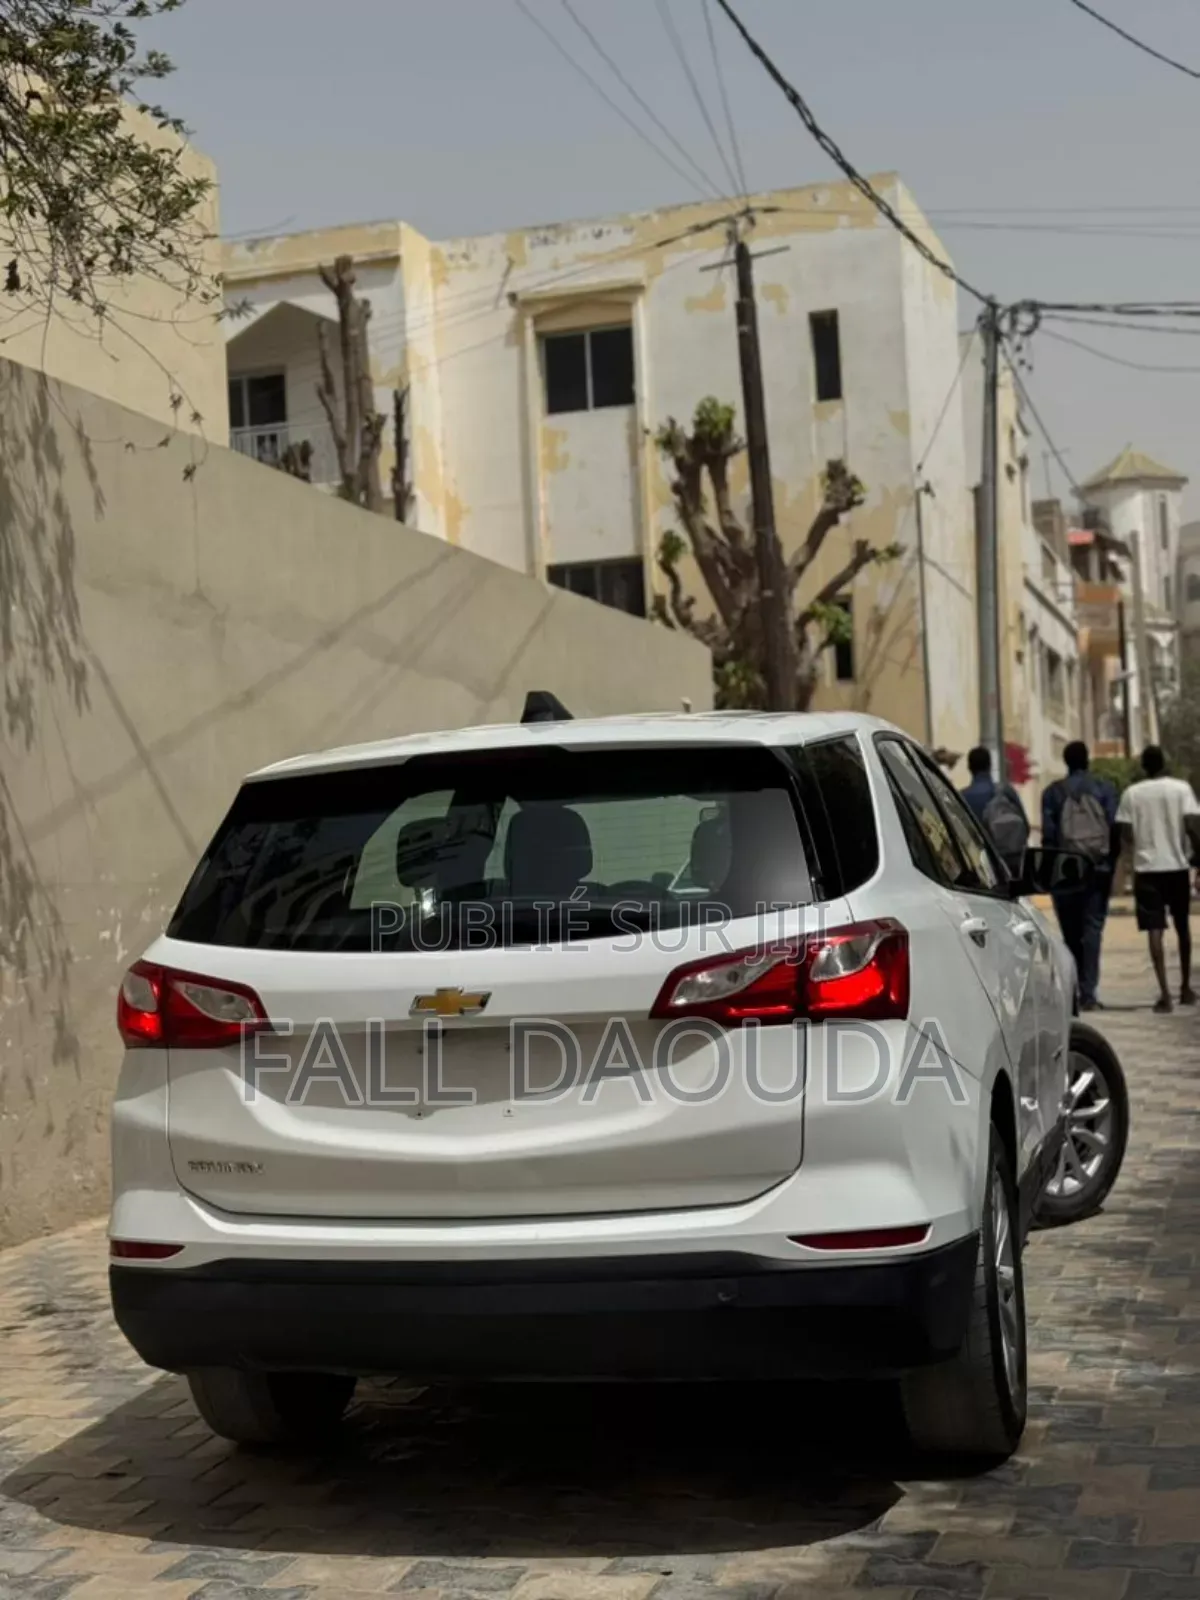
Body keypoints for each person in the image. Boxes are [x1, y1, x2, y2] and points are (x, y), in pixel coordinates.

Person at [1116, 744, 1200, 1013]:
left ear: (1143, 766)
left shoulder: (1132, 793)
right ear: (1164, 762)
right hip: (1176, 866)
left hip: (1147, 869)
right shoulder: (1181, 789)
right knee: (1182, 927)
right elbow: (1191, 826)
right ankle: (1185, 988)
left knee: (1155, 929)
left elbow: (1126, 833)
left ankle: (1165, 994)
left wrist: (1137, 850)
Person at [1041, 741, 1118, 1011]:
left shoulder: (1052, 793)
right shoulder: (1105, 789)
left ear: (1066, 762)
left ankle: (1073, 990)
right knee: (1093, 929)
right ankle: (1089, 993)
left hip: (1065, 871)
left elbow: (1049, 837)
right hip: (1098, 869)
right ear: (1087, 761)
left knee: (1071, 933)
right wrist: (1110, 865)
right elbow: (1113, 830)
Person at [961, 746, 1030, 878]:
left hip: (981, 870)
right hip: (1008, 865)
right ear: (990, 765)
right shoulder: (1006, 792)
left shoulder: (962, 798)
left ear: (969, 768)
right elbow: (1024, 828)